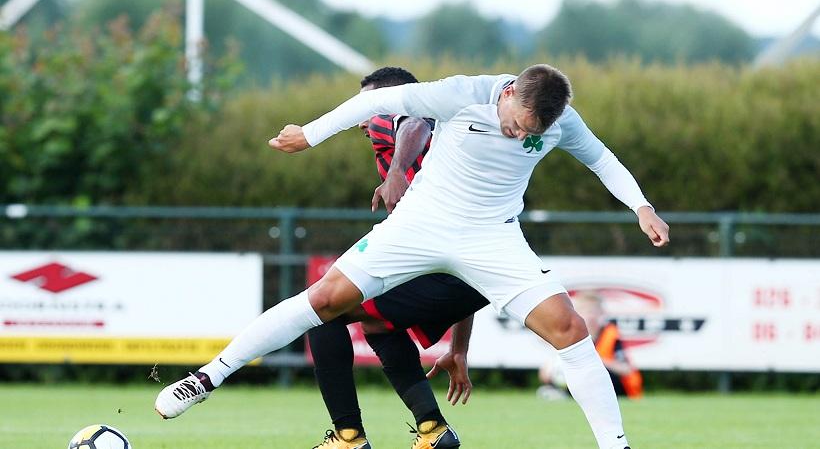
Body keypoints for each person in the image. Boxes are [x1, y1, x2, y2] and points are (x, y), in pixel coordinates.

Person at [156, 64, 670, 449]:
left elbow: (602, 159)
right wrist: (309, 135)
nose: (520, 136)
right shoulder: (462, 93)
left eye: (530, 134)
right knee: (325, 301)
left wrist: (642, 207)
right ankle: (206, 378)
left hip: (492, 237)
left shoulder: (559, 120)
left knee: (570, 329)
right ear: (509, 92)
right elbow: (381, 102)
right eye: (517, 124)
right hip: (420, 224)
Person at [307, 67, 489, 449]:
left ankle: (348, 437)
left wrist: (395, 173)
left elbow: (414, 121)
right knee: (378, 325)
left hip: (464, 267)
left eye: (366, 107)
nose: (361, 121)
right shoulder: (453, 140)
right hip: (480, 271)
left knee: (322, 311)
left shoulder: (401, 122)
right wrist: (458, 349)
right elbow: (460, 258)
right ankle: (433, 430)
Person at [537, 292, 643, 401]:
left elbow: (625, 369)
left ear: (601, 313)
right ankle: (563, 392)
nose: (589, 316)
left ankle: (566, 394)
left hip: (615, 387)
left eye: (593, 312)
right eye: (585, 311)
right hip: (583, 382)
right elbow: (545, 373)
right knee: (564, 366)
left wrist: (593, 359)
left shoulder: (610, 335)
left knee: (595, 370)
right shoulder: (572, 335)